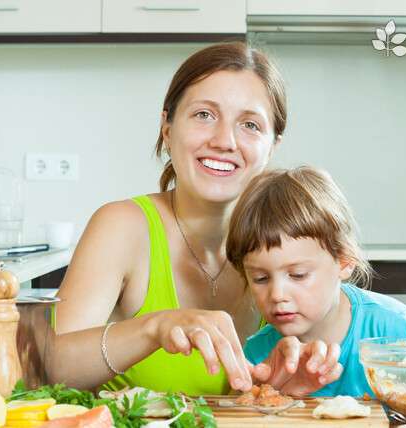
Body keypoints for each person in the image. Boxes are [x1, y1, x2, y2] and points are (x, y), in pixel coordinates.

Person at [46, 42, 336, 396]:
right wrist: (155, 327)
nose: (224, 140)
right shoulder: (122, 227)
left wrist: (287, 386)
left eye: (249, 124)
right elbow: (48, 366)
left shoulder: (287, 248)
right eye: (204, 115)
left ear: (273, 145)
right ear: (167, 127)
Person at [226, 166, 406, 397]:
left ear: (344, 262)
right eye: (260, 278)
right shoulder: (259, 354)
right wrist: (266, 393)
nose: (277, 294)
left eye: (298, 275)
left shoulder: (397, 329)